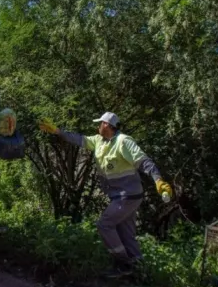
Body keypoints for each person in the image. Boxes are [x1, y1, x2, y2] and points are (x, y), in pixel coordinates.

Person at [38, 112, 173, 278]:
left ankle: (123, 263)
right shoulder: (98, 141)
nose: (98, 126)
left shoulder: (123, 141)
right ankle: (139, 269)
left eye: (100, 123)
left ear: (107, 125)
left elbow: (144, 162)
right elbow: (79, 139)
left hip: (127, 195)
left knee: (104, 225)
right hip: (122, 196)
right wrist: (58, 131)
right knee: (126, 233)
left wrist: (158, 180)